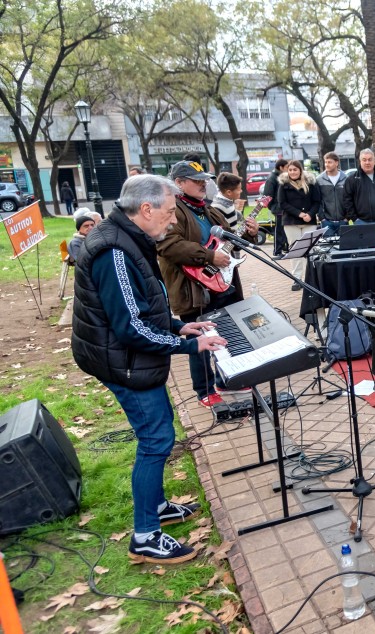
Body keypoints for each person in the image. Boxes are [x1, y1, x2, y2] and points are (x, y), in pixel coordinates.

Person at [71, 174, 227, 564]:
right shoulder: (113, 251)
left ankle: (156, 507)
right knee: (156, 439)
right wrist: (189, 344)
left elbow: (141, 307)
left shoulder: (128, 237)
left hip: (122, 353)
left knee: (159, 428)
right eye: (170, 212)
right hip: (119, 360)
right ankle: (145, 536)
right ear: (146, 209)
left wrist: (178, 325)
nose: (173, 221)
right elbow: (131, 327)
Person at [157, 160, 259, 407]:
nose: (204, 184)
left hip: (222, 282)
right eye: (197, 180)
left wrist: (249, 234)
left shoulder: (208, 209)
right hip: (193, 287)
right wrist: (209, 257)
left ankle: (227, 378)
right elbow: (167, 245)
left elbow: (227, 240)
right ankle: (203, 389)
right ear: (179, 183)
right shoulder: (173, 211)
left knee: (228, 331)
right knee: (199, 337)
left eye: (205, 179)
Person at [277, 159, 321, 290]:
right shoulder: (283, 185)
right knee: (295, 250)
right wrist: (299, 214)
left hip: (309, 221)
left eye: (295, 169)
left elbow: (317, 201)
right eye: (290, 170)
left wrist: (310, 214)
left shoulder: (310, 183)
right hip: (291, 222)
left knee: (310, 249)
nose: (292, 172)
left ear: (300, 170)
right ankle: (297, 279)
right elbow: (282, 203)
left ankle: (312, 278)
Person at [343, 148, 375, 224]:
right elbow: (347, 200)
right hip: (361, 222)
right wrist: (354, 218)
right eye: (364, 160)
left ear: (374, 161)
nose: (367, 162)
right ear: (360, 161)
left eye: (370, 159)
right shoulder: (352, 180)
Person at [316, 152, 348, 237]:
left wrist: (347, 218)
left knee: (344, 247)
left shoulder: (346, 179)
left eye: (329, 162)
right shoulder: (319, 180)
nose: (326, 165)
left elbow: (350, 199)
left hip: (343, 221)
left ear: (337, 163)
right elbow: (317, 200)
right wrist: (322, 218)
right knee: (328, 248)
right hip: (326, 222)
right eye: (325, 162)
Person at [263, 159, 289, 255]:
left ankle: (286, 247)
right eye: (287, 167)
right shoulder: (272, 178)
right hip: (278, 209)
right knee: (279, 230)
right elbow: (267, 196)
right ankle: (277, 251)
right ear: (281, 167)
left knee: (285, 229)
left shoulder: (282, 177)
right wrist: (274, 207)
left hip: (284, 208)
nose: (288, 169)